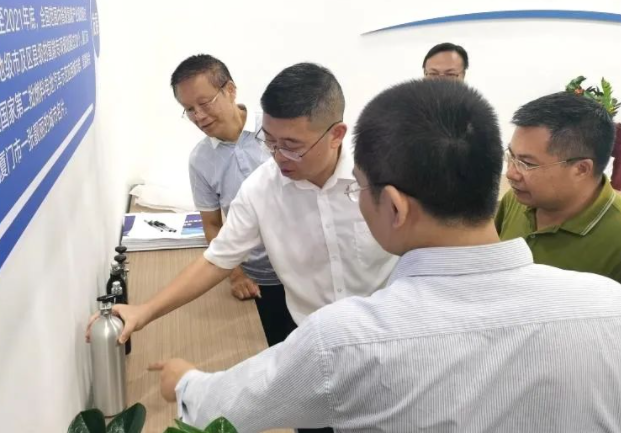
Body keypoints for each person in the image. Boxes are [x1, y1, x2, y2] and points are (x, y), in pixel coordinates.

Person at [149, 79, 621, 433]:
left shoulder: (344, 340)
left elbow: (224, 406)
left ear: (394, 206)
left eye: (361, 189)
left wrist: (184, 380)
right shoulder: (608, 307)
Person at [86, 62, 396, 346]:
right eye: (270, 142)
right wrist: (145, 311)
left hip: (390, 334)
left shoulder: (384, 175)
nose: (278, 156)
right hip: (313, 340)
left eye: (292, 146)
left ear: (336, 135)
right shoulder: (260, 190)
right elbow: (216, 260)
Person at [171, 54, 296, 346]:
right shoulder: (200, 160)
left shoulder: (276, 130)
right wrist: (236, 275)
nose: (199, 116)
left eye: (205, 103)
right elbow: (213, 224)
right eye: (189, 110)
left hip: (303, 271)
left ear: (230, 90)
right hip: (257, 279)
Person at [496, 92, 621, 281]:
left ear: (581, 169)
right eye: (511, 156)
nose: (511, 173)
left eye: (527, 163)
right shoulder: (515, 200)